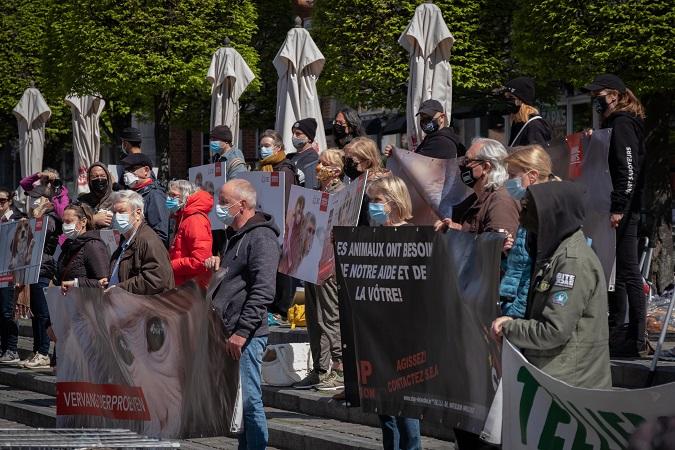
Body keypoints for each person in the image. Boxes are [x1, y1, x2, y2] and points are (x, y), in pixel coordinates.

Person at [492, 181, 612, 389]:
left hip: (570, 387)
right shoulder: (556, 253)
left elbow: (554, 331)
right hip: (555, 380)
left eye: (528, 209)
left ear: (550, 215)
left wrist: (510, 328)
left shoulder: (572, 262)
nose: (521, 216)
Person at [204, 179, 280, 450]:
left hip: (245, 334)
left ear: (243, 205)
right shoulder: (235, 235)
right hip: (229, 329)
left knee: (249, 402)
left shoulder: (261, 238)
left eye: (224, 202)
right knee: (238, 402)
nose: (219, 207)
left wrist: (242, 331)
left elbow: (263, 290)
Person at [582, 74, 648, 357]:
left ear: (614, 96)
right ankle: (618, 333)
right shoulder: (614, 124)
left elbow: (627, 169)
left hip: (622, 210)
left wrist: (619, 207)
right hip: (615, 207)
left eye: (598, 95)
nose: (594, 100)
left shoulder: (622, 125)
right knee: (618, 271)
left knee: (628, 270)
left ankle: (635, 336)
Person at [366, 176, 421, 450]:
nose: (372, 206)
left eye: (377, 200)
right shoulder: (371, 237)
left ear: (394, 202)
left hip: (404, 337)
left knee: (406, 409)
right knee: (385, 411)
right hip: (377, 335)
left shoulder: (414, 237)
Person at [293, 149, 345, 391]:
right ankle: (320, 369)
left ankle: (340, 368)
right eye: (319, 162)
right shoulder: (315, 193)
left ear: (337, 170)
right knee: (313, 318)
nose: (319, 167)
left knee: (329, 316)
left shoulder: (342, 193)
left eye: (325, 163)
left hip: (328, 264)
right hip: (310, 262)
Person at [500, 145, 558, 318]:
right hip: (516, 308)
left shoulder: (543, 215)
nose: (508, 181)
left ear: (532, 176)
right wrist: (509, 254)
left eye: (512, 175)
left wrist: (514, 316)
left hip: (525, 313)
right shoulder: (530, 210)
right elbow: (522, 266)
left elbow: (536, 275)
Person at [19, 183, 65, 369]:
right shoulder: (35, 215)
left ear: (47, 199)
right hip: (33, 266)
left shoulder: (51, 216)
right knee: (36, 312)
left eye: (37, 197)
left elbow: (44, 231)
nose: (34, 201)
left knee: (43, 312)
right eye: (32, 197)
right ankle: (37, 349)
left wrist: (37, 216)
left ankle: (44, 352)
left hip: (44, 267)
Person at [435, 138, 520, 237]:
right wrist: (458, 229)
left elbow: (496, 244)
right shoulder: (478, 199)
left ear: (486, 167)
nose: (462, 165)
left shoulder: (501, 201)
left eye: (467, 161)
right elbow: (479, 236)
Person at [107, 190, 175, 295]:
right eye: (114, 212)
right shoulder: (125, 240)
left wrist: (119, 288)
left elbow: (157, 278)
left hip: (145, 304)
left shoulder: (148, 240)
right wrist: (110, 280)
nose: (116, 217)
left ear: (138, 213)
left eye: (121, 212)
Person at [167, 180, 212, 289]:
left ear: (186, 196)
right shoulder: (182, 217)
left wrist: (170, 266)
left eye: (174, 195)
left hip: (191, 287)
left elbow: (200, 261)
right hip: (183, 283)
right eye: (169, 194)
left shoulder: (194, 220)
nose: (169, 198)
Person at [383, 99, 463, 159]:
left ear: (442, 117)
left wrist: (396, 154)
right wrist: (395, 152)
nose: (425, 121)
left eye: (429, 118)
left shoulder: (441, 141)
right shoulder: (432, 138)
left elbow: (414, 163)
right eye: (422, 118)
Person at [56, 204, 110, 292]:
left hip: (88, 299)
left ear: (83, 222)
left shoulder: (93, 245)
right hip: (70, 298)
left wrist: (76, 283)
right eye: (63, 222)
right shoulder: (68, 246)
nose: (65, 226)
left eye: (69, 221)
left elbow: (104, 282)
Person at [120, 153, 169, 247]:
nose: (127, 174)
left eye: (132, 169)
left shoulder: (155, 195)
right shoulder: (134, 193)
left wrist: (139, 250)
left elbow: (160, 234)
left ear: (146, 170)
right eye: (126, 170)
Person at [343, 137, 391, 226]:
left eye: (351, 161)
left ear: (367, 163)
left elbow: (376, 224)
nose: (346, 165)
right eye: (345, 160)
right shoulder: (359, 183)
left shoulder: (376, 188)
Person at [0, 188, 24, 364]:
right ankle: (3, 348)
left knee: (8, 312)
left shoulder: (17, 219)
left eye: (2, 201)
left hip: (10, 272)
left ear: (9, 201)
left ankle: (12, 349)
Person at [503, 77, 552, 147]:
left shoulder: (534, 125)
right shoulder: (518, 123)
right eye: (506, 97)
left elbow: (536, 153)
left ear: (522, 100)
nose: (507, 100)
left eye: (510, 97)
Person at [257, 129, 298, 203]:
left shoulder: (285, 170)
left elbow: (287, 200)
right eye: (261, 146)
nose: (263, 149)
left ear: (278, 147)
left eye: (267, 146)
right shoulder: (261, 166)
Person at [77, 163, 114, 229]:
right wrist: (93, 219)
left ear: (108, 178)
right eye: (95, 177)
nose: (99, 179)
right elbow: (72, 223)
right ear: (89, 180)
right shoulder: (82, 201)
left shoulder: (118, 199)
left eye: (102, 176)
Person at [287, 118, 320, 189]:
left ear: (309, 138)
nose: (293, 136)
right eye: (293, 133)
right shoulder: (289, 156)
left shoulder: (313, 158)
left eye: (298, 134)